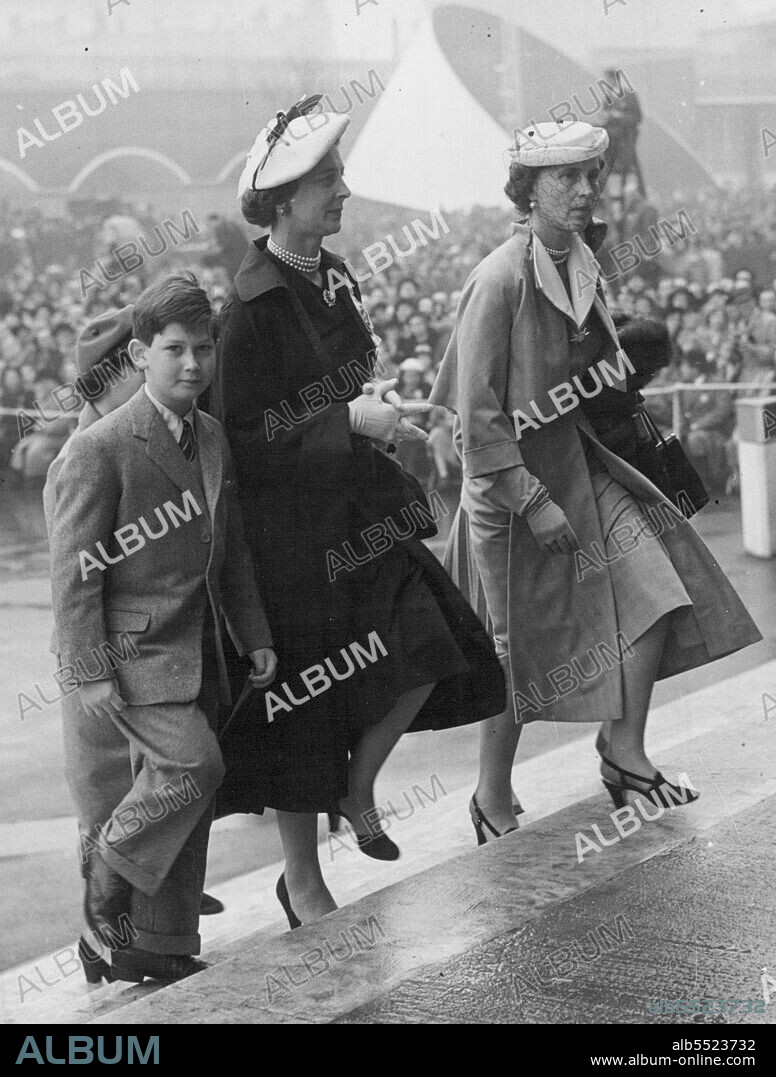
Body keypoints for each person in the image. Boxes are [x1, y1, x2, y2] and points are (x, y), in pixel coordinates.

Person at [209, 94, 505, 927]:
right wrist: (349, 419)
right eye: (329, 179)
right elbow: (246, 435)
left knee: (433, 639)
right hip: (292, 540)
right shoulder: (251, 307)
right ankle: (301, 879)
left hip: (363, 514)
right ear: (283, 199)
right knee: (302, 708)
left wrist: (369, 406)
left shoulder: (332, 275)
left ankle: (358, 786)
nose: (343, 190)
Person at [430, 120, 761, 842]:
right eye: (565, 178)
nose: (584, 190)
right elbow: (473, 417)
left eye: (590, 175)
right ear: (527, 189)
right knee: (516, 649)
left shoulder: (584, 260)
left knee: (656, 587)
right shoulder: (497, 278)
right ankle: (490, 795)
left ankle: (623, 749)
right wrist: (532, 500)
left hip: (582, 464)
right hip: (508, 491)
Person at [48, 274, 277, 983]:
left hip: (201, 644)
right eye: (174, 349)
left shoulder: (207, 434)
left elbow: (229, 546)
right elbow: (75, 573)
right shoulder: (101, 446)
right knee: (193, 766)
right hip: (135, 651)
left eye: (203, 348)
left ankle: (160, 938)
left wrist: (253, 631)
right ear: (141, 354)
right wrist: (88, 669)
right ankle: (106, 884)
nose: (192, 364)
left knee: (195, 795)